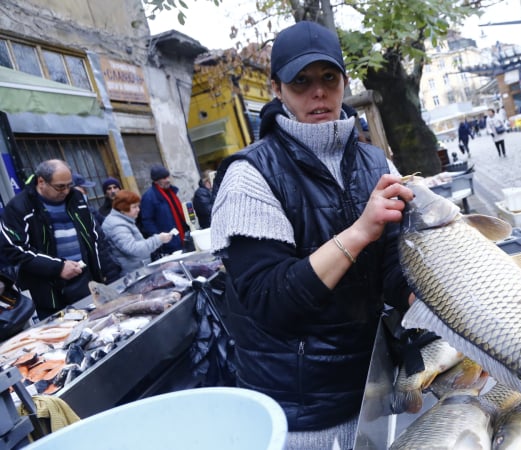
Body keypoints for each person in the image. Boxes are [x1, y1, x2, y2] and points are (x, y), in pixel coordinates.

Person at [209, 20, 414, 449]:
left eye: (328, 78)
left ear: (343, 81)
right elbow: (270, 302)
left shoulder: (377, 163)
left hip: (373, 385)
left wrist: (442, 292)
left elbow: (396, 270)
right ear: (276, 90)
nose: (317, 92)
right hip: (303, 412)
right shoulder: (250, 176)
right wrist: (359, 232)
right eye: (300, 82)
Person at [0, 160, 109, 319]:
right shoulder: (19, 207)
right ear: (41, 181)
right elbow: (14, 249)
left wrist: (104, 274)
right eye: (60, 186)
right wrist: (58, 267)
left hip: (84, 281)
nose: (65, 191)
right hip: (48, 291)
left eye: (69, 185)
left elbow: (95, 236)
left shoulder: (76, 197)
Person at [102, 190, 172, 274]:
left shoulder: (124, 219)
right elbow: (134, 249)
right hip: (132, 273)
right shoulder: (117, 225)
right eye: (134, 207)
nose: (138, 210)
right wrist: (158, 239)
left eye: (138, 206)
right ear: (123, 208)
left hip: (138, 269)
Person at [140, 164, 188, 258]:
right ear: (156, 181)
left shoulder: (172, 192)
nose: (168, 180)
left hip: (182, 238)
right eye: (164, 178)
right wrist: (160, 239)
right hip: (168, 244)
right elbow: (147, 221)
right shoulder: (149, 197)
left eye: (167, 177)